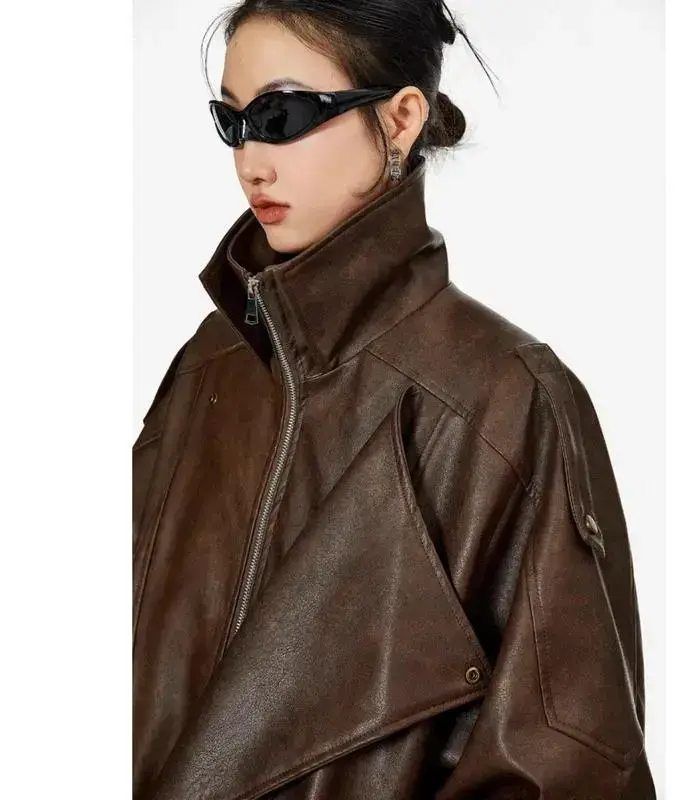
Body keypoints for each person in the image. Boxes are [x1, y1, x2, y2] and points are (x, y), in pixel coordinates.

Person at [132, 1, 657, 798]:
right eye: (232, 122)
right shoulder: (210, 368)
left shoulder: (507, 398)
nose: (251, 162)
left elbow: (568, 767)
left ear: (401, 118)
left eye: (281, 116)